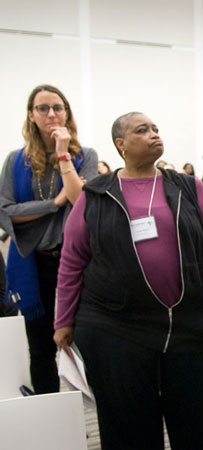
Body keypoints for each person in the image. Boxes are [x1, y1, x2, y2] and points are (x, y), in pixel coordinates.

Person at [53, 112, 203, 450]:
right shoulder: (96, 196)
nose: (154, 134)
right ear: (121, 144)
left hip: (192, 324)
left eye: (155, 129)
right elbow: (72, 260)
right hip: (118, 327)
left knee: (199, 427)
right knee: (128, 429)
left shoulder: (188, 187)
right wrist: (63, 320)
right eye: (142, 130)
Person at [0, 84, 98, 394]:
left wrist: (63, 154)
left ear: (67, 113)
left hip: (76, 263)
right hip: (32, 263)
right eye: (43, 108)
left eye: (58, 107)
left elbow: (84, 204)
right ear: (31, 115)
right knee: (40, 349)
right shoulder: (16, 160)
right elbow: (6, 211)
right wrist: (53, 205)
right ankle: (53, 419)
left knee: (85, 345)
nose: (51, 113)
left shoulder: (86, 156)